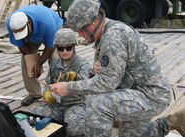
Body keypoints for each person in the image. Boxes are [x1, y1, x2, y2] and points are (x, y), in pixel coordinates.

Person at [50, 0, 185, 137]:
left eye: (80, 30)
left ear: (93, 23)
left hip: (151, 95)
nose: (80, 35)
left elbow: (107, 83)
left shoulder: (112, 37)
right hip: (142, 91)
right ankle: (171, 122)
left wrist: (69, 87)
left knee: (97, 104)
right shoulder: (107, 32)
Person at [30, 28, 92, 136]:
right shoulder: (54, 65)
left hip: (76, 104)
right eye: (61, 48)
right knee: (33, 116)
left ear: (74, 46)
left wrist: (76, 76)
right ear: (57, 49)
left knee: (75, 130)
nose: (65, 52)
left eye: (68, 48)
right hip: (57, 105)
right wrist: (46, 93)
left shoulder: (82, 64)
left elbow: (86, 82)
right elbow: (48, 83)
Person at [6, 5, 63, 106]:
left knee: (56, 59)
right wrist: (31, 61)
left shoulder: (47, 23)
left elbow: (50, 46)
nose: (23, 35)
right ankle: (34, 93)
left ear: (28, 23)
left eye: (24, 32)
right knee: (26, 60)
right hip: (33, 35)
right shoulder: (11, 24)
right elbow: (21, 45)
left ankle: (57, 92)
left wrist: (39, 64)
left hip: (52, 30)